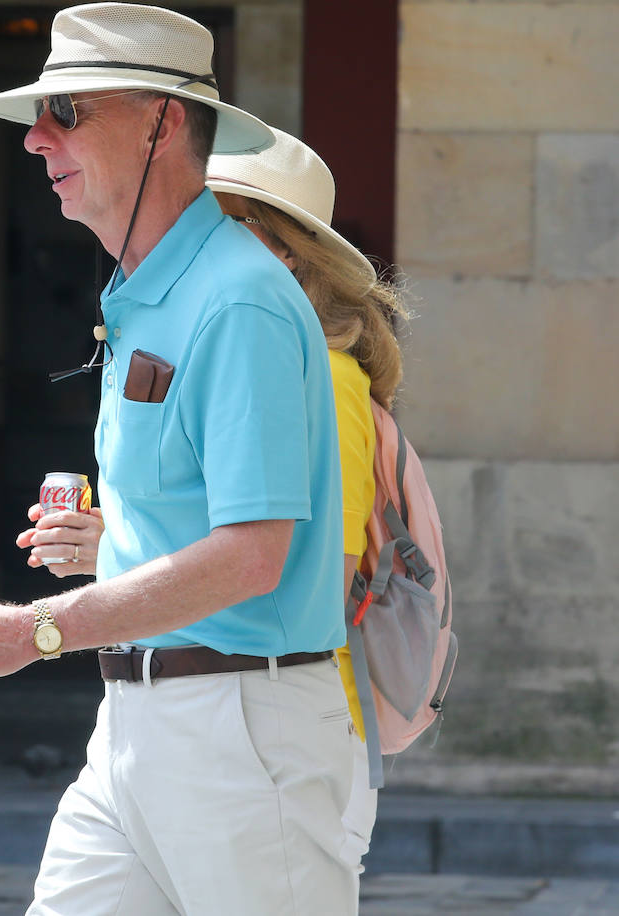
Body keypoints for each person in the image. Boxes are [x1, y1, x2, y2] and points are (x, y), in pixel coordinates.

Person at [0, 6, 356, 915]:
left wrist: (31, 630)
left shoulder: (239, 299)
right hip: (139, 718)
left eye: (67, 111)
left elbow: (253, 557)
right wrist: (111, 546)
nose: (34, 140)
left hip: (238, 726)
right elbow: (205, 528)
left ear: (162, 120)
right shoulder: (151, 288)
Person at [21, 128, 412, 882]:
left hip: (255, 716)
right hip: (171, 709)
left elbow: (310, 570)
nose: (199, 247)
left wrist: (51, 612)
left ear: (284, 252)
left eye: (227, 224)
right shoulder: (215, 329)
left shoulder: (320, 374)